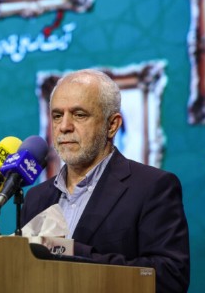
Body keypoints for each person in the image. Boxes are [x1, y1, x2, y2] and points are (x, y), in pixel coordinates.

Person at [21, 69, 190, 293]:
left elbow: (169, 277)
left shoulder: (152, 187)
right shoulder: (36, 198)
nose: (64, 126)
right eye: (57, 115)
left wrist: (72, 252)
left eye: (79, 114)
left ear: (112, 125)